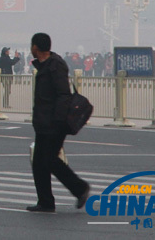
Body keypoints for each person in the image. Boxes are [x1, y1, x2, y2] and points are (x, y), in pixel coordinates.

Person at [27, 32, 90, 213]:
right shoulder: (45, 65)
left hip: (54, 123)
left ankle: (79, 188)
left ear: (35, 48)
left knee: (49, 160)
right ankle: (45, 202)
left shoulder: (55, 66)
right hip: (43, 122)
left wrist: (57, 120)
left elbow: (63, 94)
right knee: (40, 162)